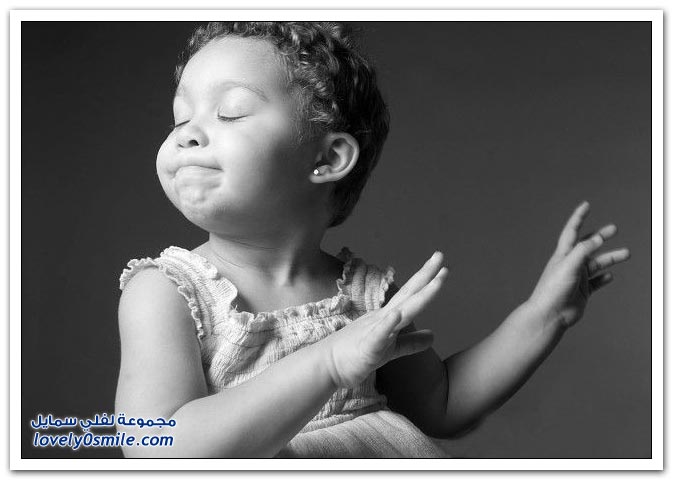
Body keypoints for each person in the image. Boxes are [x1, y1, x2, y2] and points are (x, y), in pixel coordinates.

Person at [114, 21, 631, 458]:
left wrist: (546, 314)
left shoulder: (366, 296)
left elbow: (442, 404)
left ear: (327, 158)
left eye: (230, 112)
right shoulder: (167, 291)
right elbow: (154, 447)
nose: (186, 133)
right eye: (181, 117)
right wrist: (328, 362)